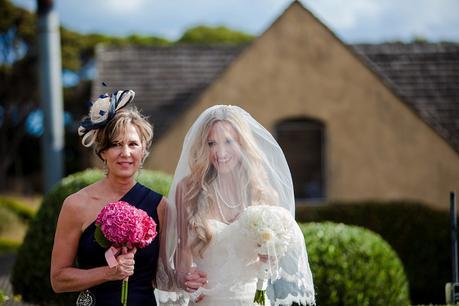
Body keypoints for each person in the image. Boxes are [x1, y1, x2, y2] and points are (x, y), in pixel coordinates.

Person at [50, 89, 206, 306]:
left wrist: (185, 280)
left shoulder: (160, 206)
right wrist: (108, 273)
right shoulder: (76, 205)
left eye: (133, 144)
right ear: (102, 151)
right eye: (115, 144)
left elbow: (162, 276)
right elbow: (58, 280)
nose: (125, 153)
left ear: (144, 151)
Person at [156, 105, 315, 306]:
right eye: (211, 143)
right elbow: (181, 259)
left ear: (242, 142)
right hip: (207, 300)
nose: (220, 152)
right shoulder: (187, 189)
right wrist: (186, 279)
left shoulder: (262, 192)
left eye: (229, 141)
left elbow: (273, 261)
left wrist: (270, 257)